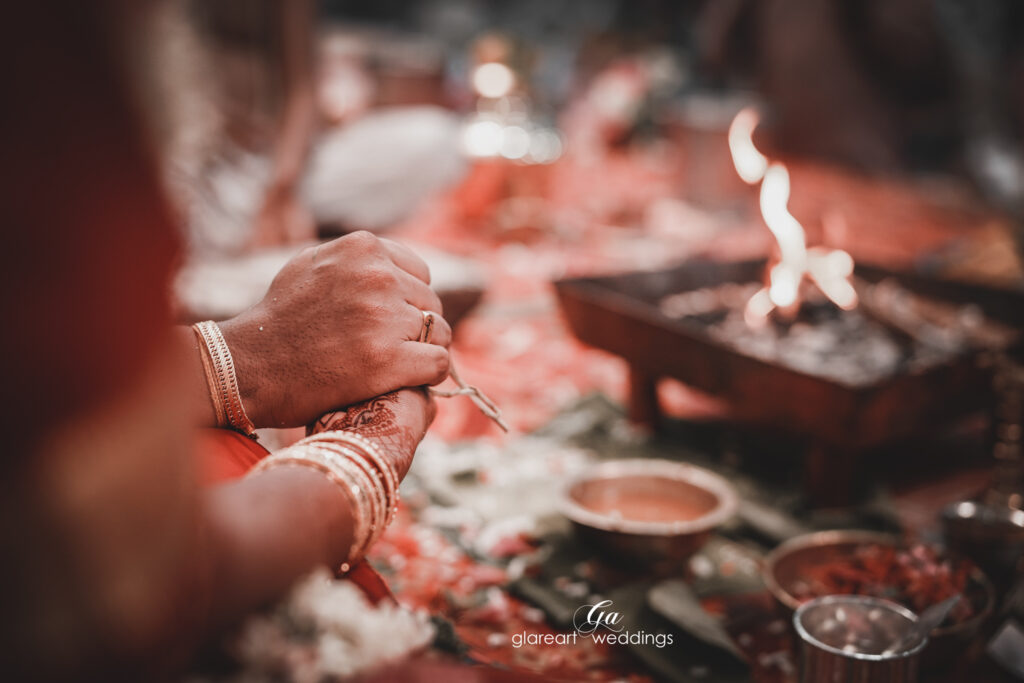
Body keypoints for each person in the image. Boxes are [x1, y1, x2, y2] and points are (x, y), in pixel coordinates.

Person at [0, 3, 448, 681]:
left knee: (430, 138)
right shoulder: (43, 45)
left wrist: (238, 358)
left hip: (243, 176)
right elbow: (113, 598)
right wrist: (361, 458)